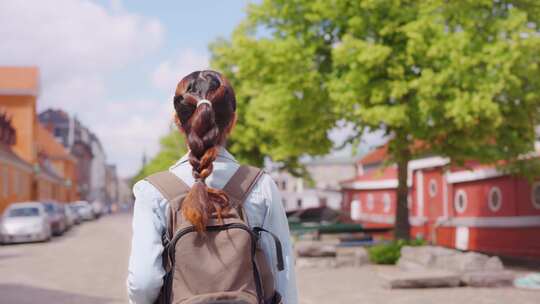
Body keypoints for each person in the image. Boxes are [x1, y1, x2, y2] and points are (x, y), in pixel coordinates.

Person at [127, 70, 298, 304]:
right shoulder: (261, 185)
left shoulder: (153, 191)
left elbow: (143, 282)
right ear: (233, 121)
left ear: (178, 122)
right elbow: (283, 274)